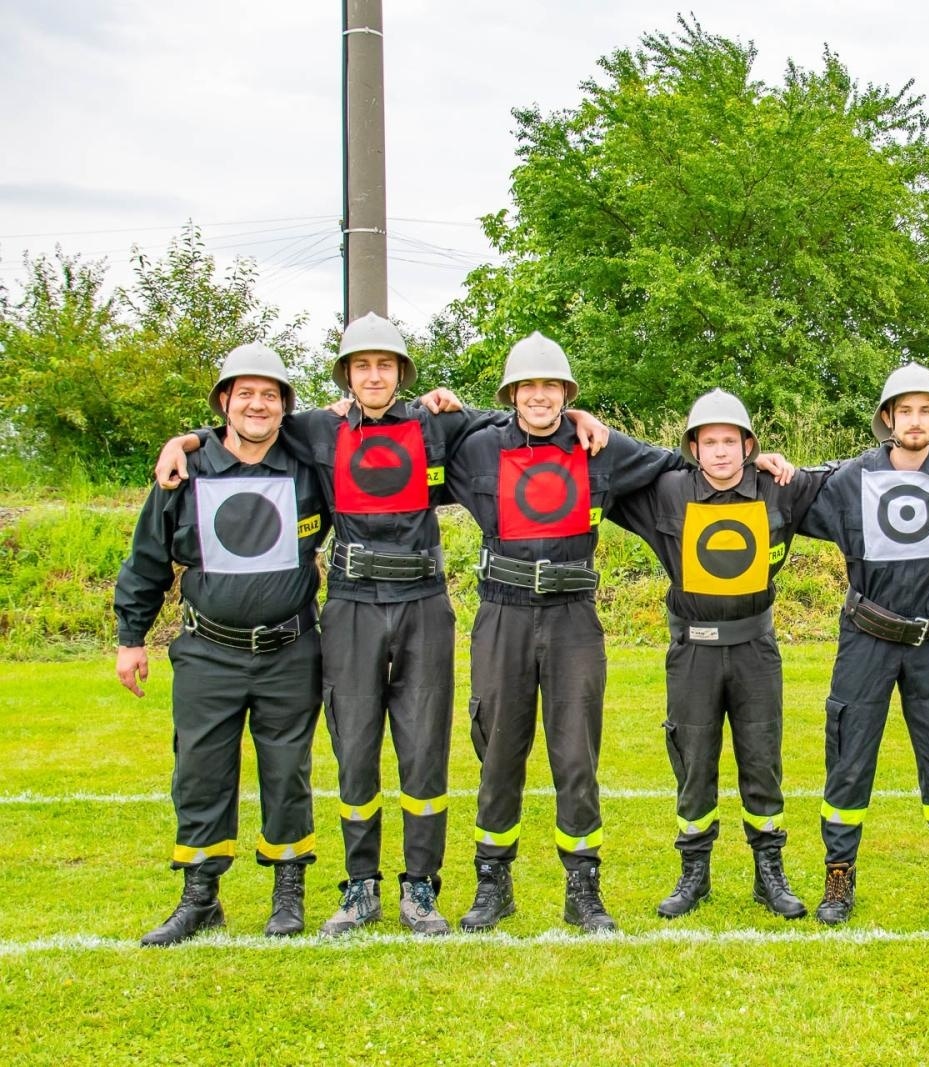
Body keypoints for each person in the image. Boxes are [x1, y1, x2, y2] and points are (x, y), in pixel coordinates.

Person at [153, 314, 591, 936]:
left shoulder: (438, 422)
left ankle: (420, 888)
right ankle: (360, 888)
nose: (375, 375)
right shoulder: (316, 429)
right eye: (363, 365)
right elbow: (248, 429)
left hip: (423, 604)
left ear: (402, 373)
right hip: (352, 606)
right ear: (347, 375)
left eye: (386, 365)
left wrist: (579, 420)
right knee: (354, 748)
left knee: (423, 748)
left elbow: (524, 422)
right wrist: (187, 441)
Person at [444, 333, 693, 934]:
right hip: (501, 613)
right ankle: (492, 883)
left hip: (572, 617)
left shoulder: (598, 448)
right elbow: (412, 425)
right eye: (527, 386)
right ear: (511, 394)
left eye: (551, 387)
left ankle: (582, 887)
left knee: (575, 754)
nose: (539, 397)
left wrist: (761, 462)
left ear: (566, 393)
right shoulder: (478, 447)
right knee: (499, 750)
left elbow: (681, 461)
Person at [115, 343, 328, 944]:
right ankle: (200, 896)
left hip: (291, 650)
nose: (257, 404)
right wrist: (131, 637)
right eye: (245, 393)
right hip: (209, 652)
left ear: (285, 406)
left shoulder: (312, 465)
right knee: (200, 772)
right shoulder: (186, 468)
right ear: (224, 402)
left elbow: (371, 420)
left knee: (287, 771)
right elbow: (149, 557)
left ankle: (288, 892)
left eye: (270, 394)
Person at [796, 363, 929, 925]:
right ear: (887, 418)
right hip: (865, 640)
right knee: (849, 760)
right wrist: (772, 463)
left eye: (926, 411)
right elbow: (795, 486)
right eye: (904, 411)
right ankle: (839, 876)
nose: (915, 421)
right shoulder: (849, 480)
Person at [609, 389, 823, 921]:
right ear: (694, 447)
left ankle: (769, 872)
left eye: (731, 441)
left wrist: (918, 451)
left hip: (755, 648)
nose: (721, 452)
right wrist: (582, 421)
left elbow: (847, 479)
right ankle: (694, 872)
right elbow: (606, 471)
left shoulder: (779, 489)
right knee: (693, 759)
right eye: (710, 442)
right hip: (693, 652)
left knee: (761, 758)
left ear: (749, 446)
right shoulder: (666, 492)